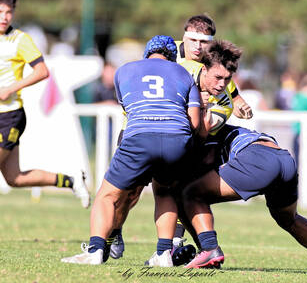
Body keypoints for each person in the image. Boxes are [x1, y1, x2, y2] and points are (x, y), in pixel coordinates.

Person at [109, 15, 253, 259]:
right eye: (192, 39)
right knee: (128, 192)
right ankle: (114, 230)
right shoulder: (167, 50)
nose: (197, 46)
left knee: (175, 189)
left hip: (177, 135)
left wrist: (232, 99)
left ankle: (172, 245)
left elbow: (226, 90)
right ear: (183, 36)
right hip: (138, 126)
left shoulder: (214, 69)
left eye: (203, 41)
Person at [60, 35, 201, 265]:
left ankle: (96, 250)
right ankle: (164, 253)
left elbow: (129, 108)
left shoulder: (124, 71)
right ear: (172, 56)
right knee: (165, 192)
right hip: (177, 138)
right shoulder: (183, 73)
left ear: (147, 52)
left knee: (106, 195)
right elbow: (194, 122)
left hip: (140, 136)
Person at [179, 122, 307, 269]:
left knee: (189, 194)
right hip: (284, 158)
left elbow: (206, 162)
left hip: (258, 159)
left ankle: (208, 250)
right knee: (289, 219)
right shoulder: (229, 129)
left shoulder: (205, 131)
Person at [0, 0, 90, 208]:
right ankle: (72, 180)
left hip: (9, 115)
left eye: (8, 12)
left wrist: (11, 88)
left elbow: (42, 71)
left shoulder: (20, 40)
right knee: (14, 178)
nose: (4, 17)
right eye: (0, 12)